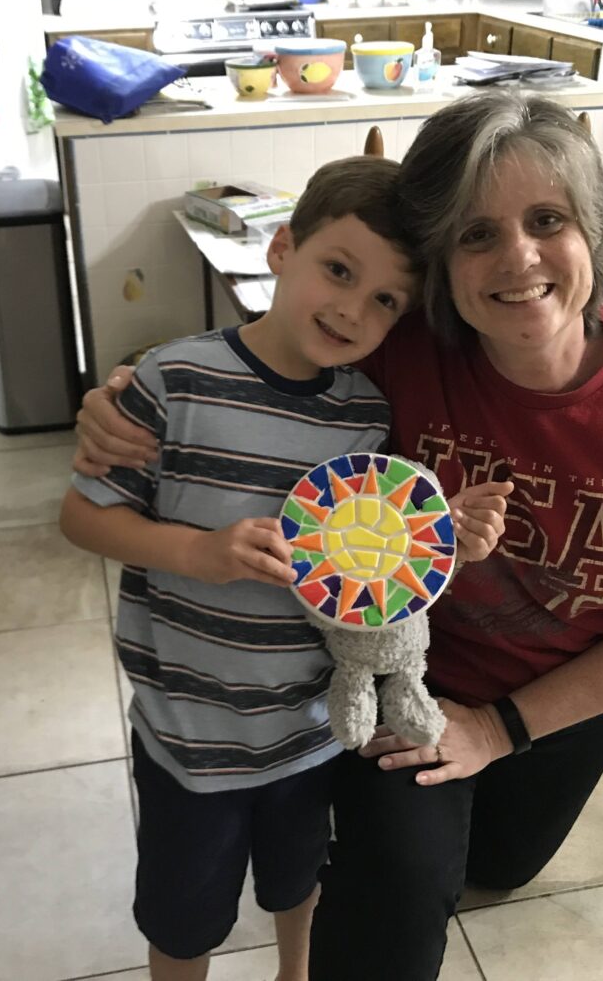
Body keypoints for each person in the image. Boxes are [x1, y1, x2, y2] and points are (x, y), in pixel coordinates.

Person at [73, 92, 603, 981]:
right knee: (390, 902)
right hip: (399, 679)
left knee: (498, 870)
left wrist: (499, 731)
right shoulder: (400, 349)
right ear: (443, 266)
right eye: (477, 235)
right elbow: (261, 359)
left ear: (594, 230)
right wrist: (127, 396)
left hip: (562, 698)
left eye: (548, 219)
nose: (518, 257)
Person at [60, 154, 512, 981]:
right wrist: (195, 552)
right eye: (337, 270)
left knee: (296, 883)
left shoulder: (367, 416)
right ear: (281, 248)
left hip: (309, 732)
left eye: (384, 301)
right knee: (183, 915)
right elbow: (82, 515)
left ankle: (292, 973)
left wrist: (450, 535)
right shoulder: (177, 377)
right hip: (187, 734)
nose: (351, 308)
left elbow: (378, 562)